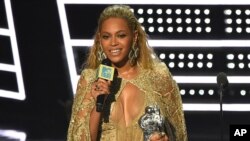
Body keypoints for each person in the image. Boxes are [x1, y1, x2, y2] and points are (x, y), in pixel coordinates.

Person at [67, 5, 187, 141]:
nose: (113, 43)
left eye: (121, 35)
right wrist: (97, 106)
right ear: (100, 39)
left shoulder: (159, 76)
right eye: (106, 37)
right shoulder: (90, 79)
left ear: (134, 36)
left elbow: (179, 134)